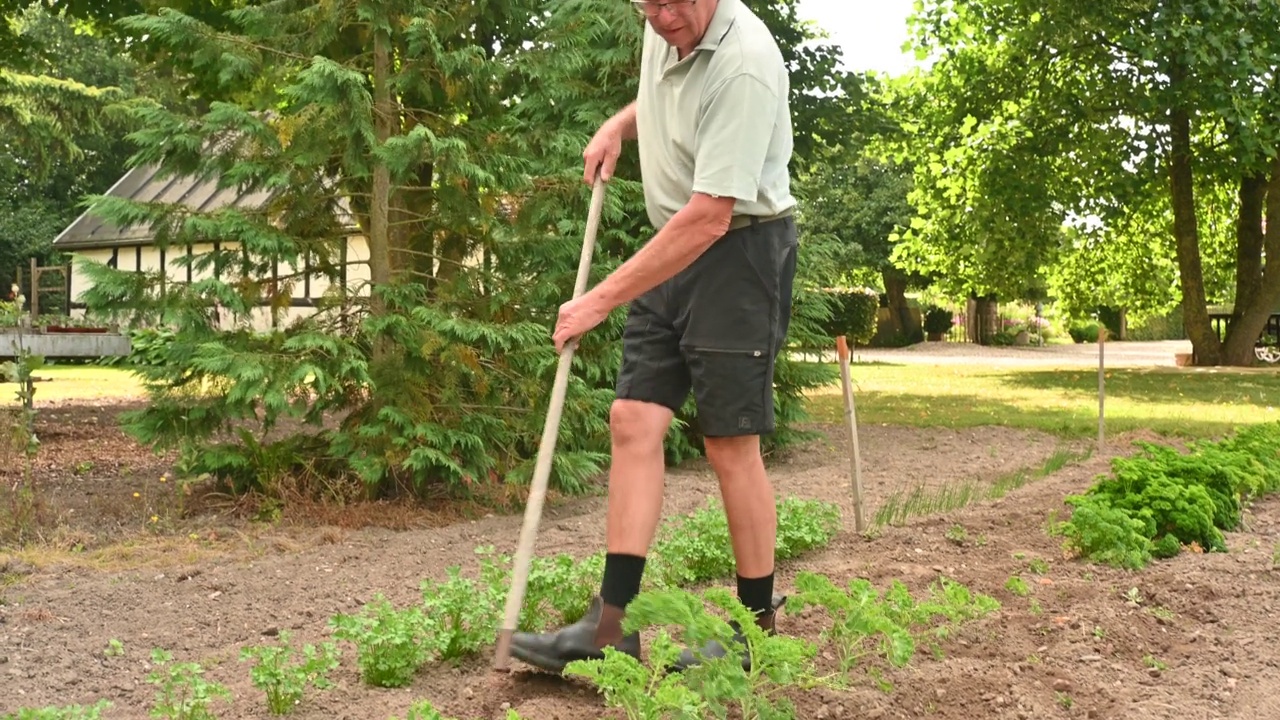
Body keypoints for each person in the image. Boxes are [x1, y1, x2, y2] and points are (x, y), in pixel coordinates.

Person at [507, 0, 797, 673]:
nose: (662, 17)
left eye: (674, 1)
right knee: (633, 420)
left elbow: (711, 216)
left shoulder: (745, 63)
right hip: (676, 240)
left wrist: (600, 299)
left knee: (730, 442)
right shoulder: (664, 25)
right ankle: (612, 628)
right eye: (647, 3)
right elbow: (666, 98)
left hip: (737, 251)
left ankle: (758, 633)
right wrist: (621, 123)